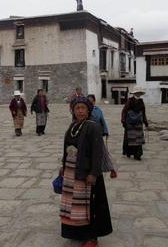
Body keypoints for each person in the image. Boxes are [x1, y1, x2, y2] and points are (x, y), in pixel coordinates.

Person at [59, 96, 112, 247]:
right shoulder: (73, 125)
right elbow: (66, 147)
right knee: (74, 205)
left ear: (88, 110)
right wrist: (63, 165)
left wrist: (93, 173)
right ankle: (76, 233)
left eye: (83, 108)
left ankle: (91, 237)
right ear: (73, 110)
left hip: (86, 172)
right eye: (77, 108)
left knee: (90, 206)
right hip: (71, 171)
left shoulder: (93, 126)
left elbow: (97, 152)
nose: (80, 111)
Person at [87, 94, 117, 179]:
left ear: (94, 101)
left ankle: (107, 167)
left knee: (102, 152)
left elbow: (102, 121)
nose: (90, 102)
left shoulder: (98, 110)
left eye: (91, 101)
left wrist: (106, 131)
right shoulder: (85, 111)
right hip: (87, 136)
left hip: (97, 135)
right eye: (88, 101)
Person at [121, 86, 148, 161]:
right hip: (130, 123)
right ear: (135, 93)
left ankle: (137, 155)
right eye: (137, 93)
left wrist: (145, 122)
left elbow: (143, 113)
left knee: (138, 140)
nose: (138, 94)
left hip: (138, 123)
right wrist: (123, 120)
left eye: (139, 93)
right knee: (131, 139)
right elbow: (124, 111)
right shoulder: (129, 101)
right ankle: (129, 153)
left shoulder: (141, 102)